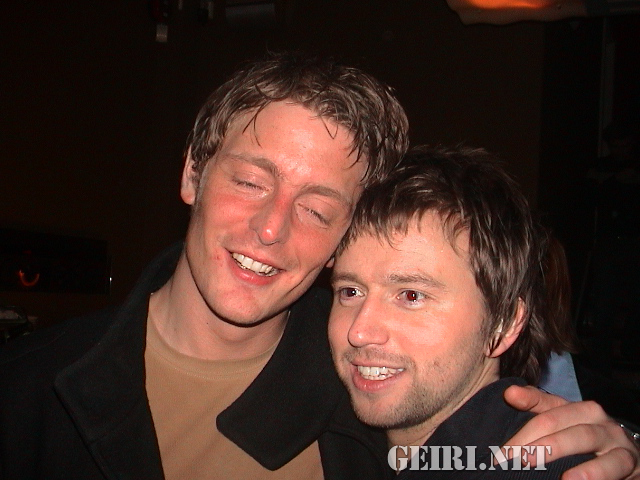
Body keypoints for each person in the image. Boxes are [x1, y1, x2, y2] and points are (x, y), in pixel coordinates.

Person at [0, 54, 637, 480]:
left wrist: (621, 448)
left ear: (346, 239)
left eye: (317, 208)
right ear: (194, 171)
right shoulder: (27, 390)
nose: (270, 228)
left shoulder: (372, 385)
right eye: (250, 181)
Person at [329, 145, 638, 478]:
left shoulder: (542, 467)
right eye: (350, 291)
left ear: (504, 323)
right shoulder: (339, 438)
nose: (359, 331)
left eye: (411, 295)